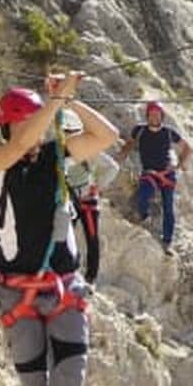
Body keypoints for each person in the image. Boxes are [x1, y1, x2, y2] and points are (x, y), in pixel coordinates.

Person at [0, 72, 118, 386]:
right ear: (9, 127)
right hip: (17, 292)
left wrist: (68, 102)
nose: (33, 133)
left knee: (71, 374)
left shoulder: (57, 157)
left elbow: (105, 135)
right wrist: (53, 104)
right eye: (26, 123)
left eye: (35, 123)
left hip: (62, 287)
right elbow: (17, 147)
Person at [117, 101, 191, 256]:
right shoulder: (140, 130)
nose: (154, 117)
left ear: (162, 116)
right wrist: (122, 154)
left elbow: (187, 147)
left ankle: (167, 242)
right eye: (151, 115)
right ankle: (144, 216)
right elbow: (130, 143)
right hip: (149, 173)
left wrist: (180, 163)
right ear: (147, 116)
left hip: (166, 173)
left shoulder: (169, 132)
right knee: (143, 196)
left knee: (168, 207)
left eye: (157, 115)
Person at [60, 108, 120, 285]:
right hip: (70, 198)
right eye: (66, 132)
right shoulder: (60, 150)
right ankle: (69, 272)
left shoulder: (88, 151)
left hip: (86, 198)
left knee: (92, 238)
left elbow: (113, 167)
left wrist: (98, 186)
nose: (69, 135)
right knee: (66, 236)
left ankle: (90, 278)